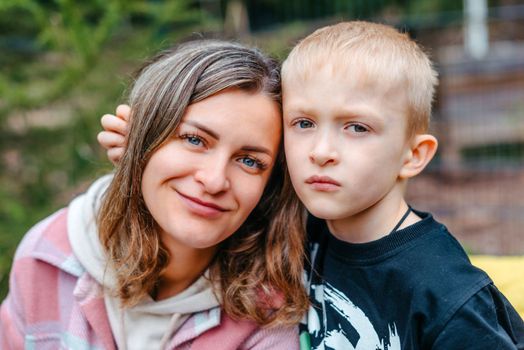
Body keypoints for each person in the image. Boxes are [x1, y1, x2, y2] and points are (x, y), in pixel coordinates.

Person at [100, 21, 524, 349]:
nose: (321, 150)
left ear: (413, 155)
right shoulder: (303, 223)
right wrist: (145, 153)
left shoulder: (446, 296)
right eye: (303, 123)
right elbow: (213, 197)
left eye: (356, 127)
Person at [0, 40, 309, 350]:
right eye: (194, 139)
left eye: (249, 161)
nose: (215, 181)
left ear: (270, 184)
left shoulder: (269, 313)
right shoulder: (46, 257)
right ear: (141, 137)